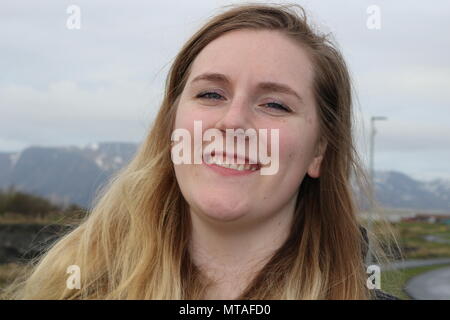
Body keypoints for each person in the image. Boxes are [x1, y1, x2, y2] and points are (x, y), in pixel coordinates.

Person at [5, 3, 397, 300]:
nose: (233, 121)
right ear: (170, 125)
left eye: (275, 104)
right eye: (211, 94)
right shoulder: (71, 289)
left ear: (319, 153)